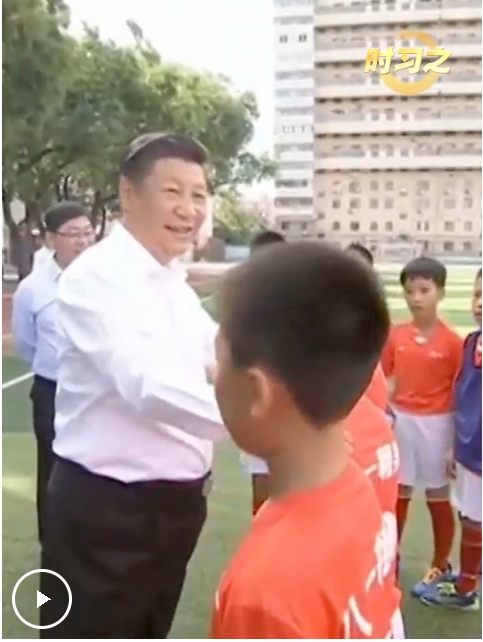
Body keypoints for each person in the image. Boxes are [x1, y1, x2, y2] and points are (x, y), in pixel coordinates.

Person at [40, 133, 226, 639]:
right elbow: (147, 385)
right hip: (109, 513)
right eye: (173, 191)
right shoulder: (96, 278)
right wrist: (263, 420)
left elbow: (217, 353)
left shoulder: (170, 281)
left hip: (173, 508)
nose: (188, 209)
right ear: (128, 193)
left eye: (198, 194)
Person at [211, 242, 402, 639]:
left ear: (257, 391)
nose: (214, 374)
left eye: (221, 359)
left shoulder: (264, 594)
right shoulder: (355, 484)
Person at [11, 202, 95, 544]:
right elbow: (26, 344)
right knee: (53, 470)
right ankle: (55, 547)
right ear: (50, 240)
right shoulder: (33, 289)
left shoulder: (106, 282)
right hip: (52, 392)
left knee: (97, 470)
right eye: (72, 234)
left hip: (99, 392)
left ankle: (92, 543)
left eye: (87, 233)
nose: (82, 241)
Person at [381, 256, 463, 599]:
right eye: (410, 290)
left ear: (440, 292)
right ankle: (391, 559)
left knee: (436, 495)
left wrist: (453, 442)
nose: (416, 298)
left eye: (424, 290)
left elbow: (460, 392)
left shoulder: (453, 342)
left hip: (437, 425)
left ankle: (440, 563)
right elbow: (386, 380)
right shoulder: (396, 335)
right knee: (397, 492)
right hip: (402, 421)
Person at [423, 268, 482, 611]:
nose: (480, 303)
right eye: (477, 294)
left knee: (474, 518)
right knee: (470, 514)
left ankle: (466, 590)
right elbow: (462, 394)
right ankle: (470, 572)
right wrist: (453, 445)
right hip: (469, 447)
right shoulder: (471, 342)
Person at [240, 229, 286, 517]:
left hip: (292, 415)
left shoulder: (301, 307)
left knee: (293, 490)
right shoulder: (244, 308)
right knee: (261, 487)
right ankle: (263, 535)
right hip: (257, 412)